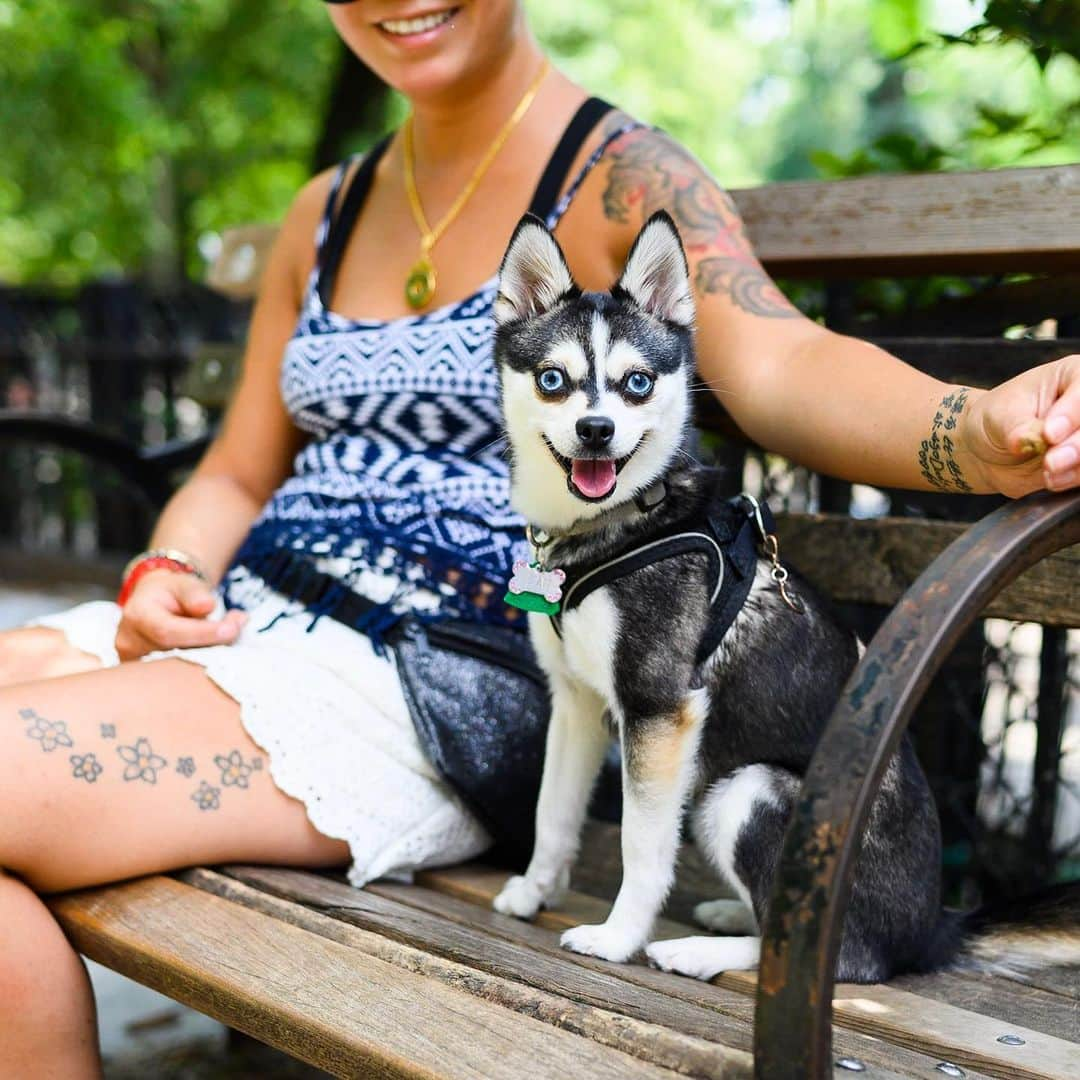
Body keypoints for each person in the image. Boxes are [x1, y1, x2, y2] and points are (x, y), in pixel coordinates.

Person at [2, 2, 1079, 1074]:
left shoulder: (624, 175)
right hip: (255, 621)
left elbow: (784, 365)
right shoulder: (322, 211)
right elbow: (237, 469)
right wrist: (166, 570)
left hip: (433, 674)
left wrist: (973, 433)